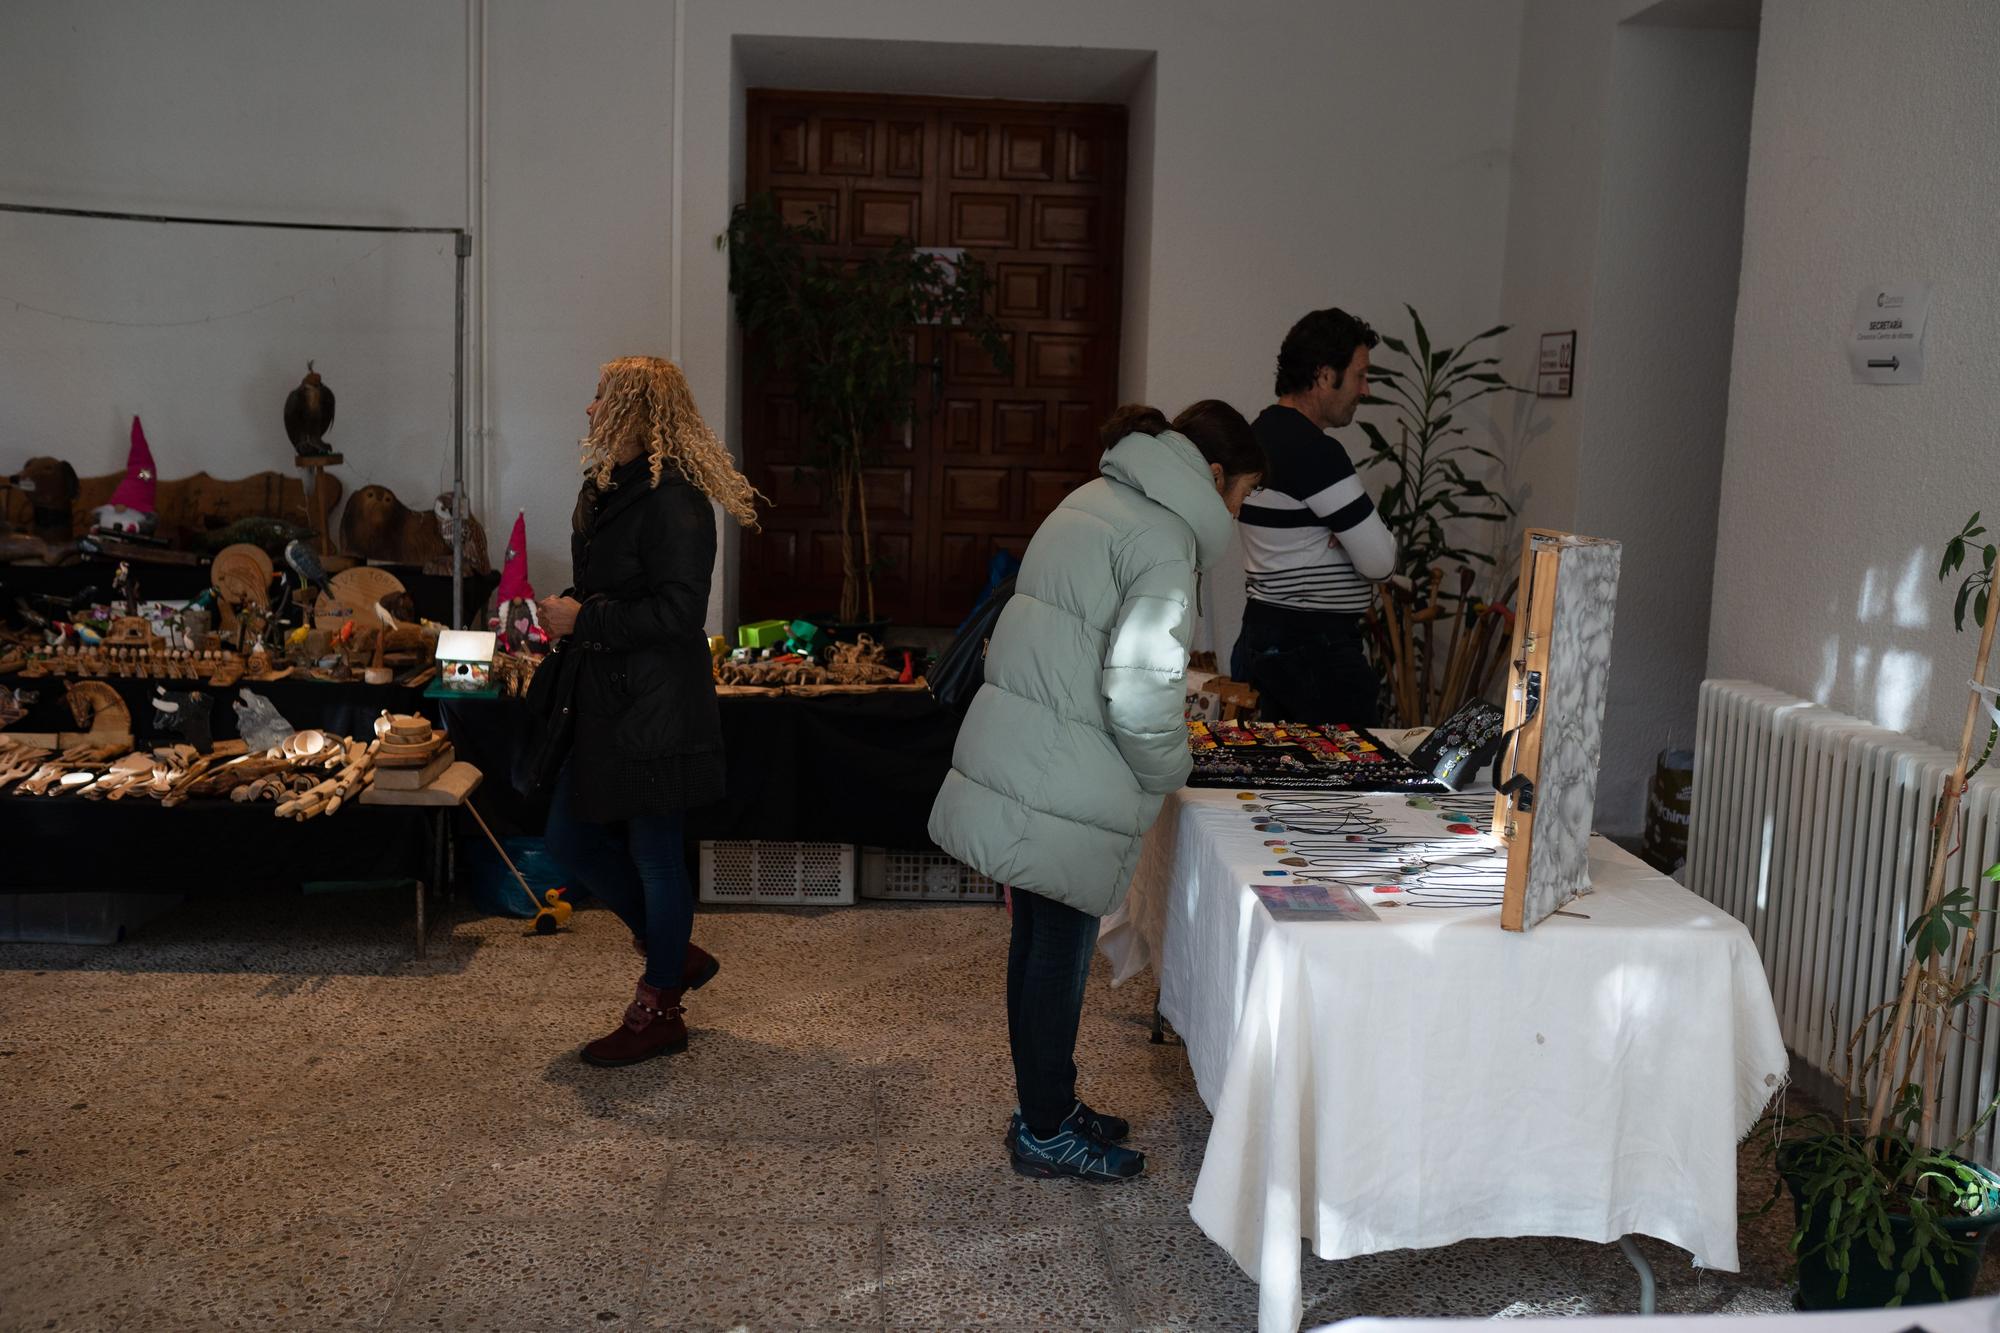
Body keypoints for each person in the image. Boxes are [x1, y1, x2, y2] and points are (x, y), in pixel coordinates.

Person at [930, 401, 1266, 1182]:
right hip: (1069, 777)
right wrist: (1172, 770)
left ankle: (1047, 1103)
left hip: (1033, 758)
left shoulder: (1094, 498)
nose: (1239, 513)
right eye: (1243, 495)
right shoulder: (1163, 539)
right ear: (1213, 477)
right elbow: (1141, 690)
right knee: (1057, 952)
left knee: (1037, 942)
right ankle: (1046, 1128)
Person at [537, 356, 763, 1067]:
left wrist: (584, 619)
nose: (590, 410)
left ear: (638, 410)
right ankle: (676, 953)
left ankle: (660, 1005)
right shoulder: (608, 488)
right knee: (568, 838)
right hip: (608, 701)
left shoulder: (674, 499)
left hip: (658, 706)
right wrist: (573, 617)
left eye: (602, 397)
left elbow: (678, 612)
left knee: (657, 855)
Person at [1233, 307, 1396, 724]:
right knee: (1345, 785)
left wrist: (1347, 536)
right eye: (1360, 375)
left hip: (1261, 633)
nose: (1365, 389)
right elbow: (1380, 561)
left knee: (1274, 781)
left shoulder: (1260, 433)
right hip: (1315, 653)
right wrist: (1358, 537)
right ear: (1325, 376)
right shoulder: (1315, 453)